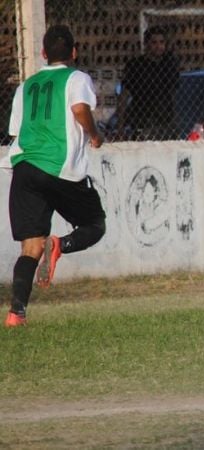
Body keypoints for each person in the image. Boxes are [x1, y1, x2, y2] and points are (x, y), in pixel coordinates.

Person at [3, 25, 106, 327]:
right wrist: (94, 134)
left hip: (23, 168)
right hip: (58, 168)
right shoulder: (77, 78)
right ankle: (61, 244)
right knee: (94, 224)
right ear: (74, 52)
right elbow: (79, 109)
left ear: (43, 53)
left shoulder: (26, 86)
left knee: (30, 247)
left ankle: (16, 313)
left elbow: (15, 131)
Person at [114, 26, 180, 141]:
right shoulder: (136, 65)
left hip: (166, 120)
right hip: (143, 119)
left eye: (161, 42)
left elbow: (175, 93)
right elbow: (124, 95)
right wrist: (120, 126)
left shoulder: (169, 64)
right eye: (154, 42)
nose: (158, 46)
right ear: (146, 44)